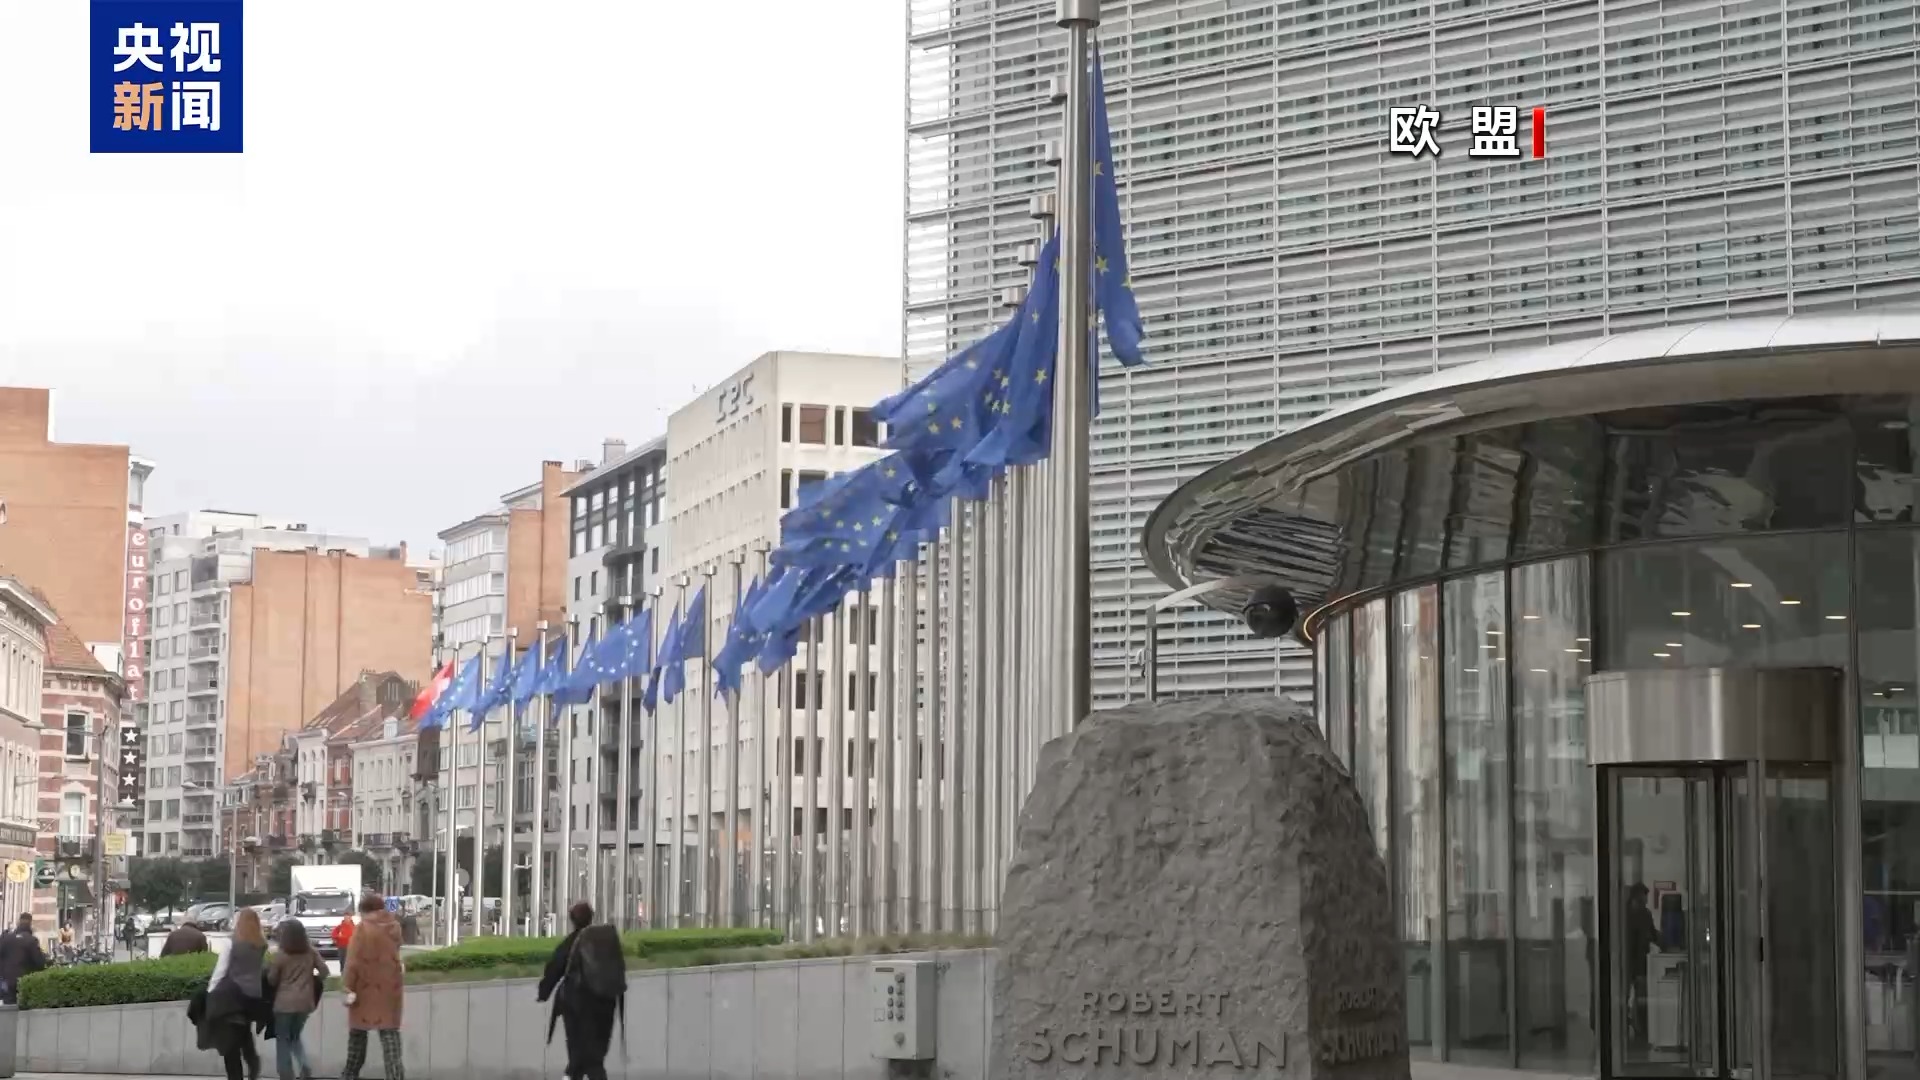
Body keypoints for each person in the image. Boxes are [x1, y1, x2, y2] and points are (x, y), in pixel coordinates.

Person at [538, 901, 625, 1080]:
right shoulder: (605, 942)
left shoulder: (572, 942)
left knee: (583, 1056)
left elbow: (555, 968)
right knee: (592, 1055)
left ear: (572, 920)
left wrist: (543, 993)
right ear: (591, 918)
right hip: (606, 1003)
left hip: (578, 1006)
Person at [339, 893, 405, 1080]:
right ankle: (396, 1075)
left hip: (365, 990)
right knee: (390, 1035)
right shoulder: (394, 927)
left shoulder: (362, 930)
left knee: (358, 1036)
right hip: (390, 990)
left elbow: (353, 961)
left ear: (365, 911)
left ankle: (350, 1074)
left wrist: (347, 987)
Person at [202, 908, 269, 1080]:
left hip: (232, 996)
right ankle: (252, 1060)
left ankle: (237, 1075)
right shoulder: (261, 945)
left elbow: (221, 970)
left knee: (230, 1043)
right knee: (243, 1030)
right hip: (253, 997)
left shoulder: (231, 943)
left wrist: (210, 991)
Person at [265, 919, 329, 1080]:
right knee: (295, 1036)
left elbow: (271, 980)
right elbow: (324, 971)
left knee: (283, 1039)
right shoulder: (311, 952)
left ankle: (286, 1074)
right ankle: (305, 1067)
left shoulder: (281, 955)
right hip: (305, 1002)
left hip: (284, 1003)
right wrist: (312, 979)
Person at [0, 914, 46, 1004]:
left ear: (18, 922)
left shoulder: (6, 938)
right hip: (24, 980)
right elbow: (39, 962)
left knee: (8, 1006)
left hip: (7, 979)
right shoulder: (31, 940)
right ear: (30, 924)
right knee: (24, 1005)